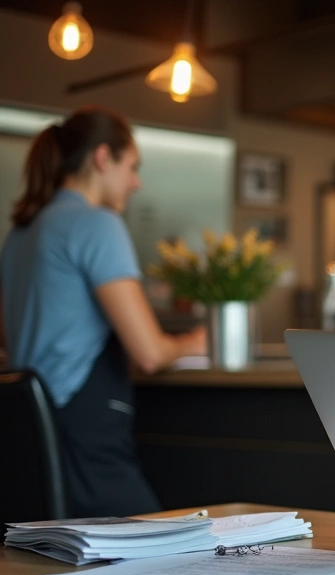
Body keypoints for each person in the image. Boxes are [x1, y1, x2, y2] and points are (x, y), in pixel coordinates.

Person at [0, 107, 206, 517]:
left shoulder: (20, 233)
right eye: (132, 166)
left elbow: (8, 340)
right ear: (101, 158)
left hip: (24, 430)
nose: (136, 182)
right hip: (82, 429)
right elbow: (149, 353)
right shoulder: (97, 224)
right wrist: (200, 340)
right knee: (155, 547)